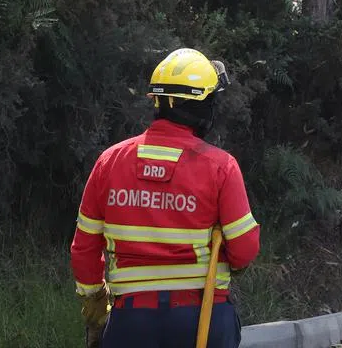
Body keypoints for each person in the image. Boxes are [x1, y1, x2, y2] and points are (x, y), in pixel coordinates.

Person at [71, 48, 261, 348]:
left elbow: (84, 248)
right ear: (203, 106)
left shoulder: (110, 162)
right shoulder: (220, 167)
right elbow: (245, 249)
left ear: (158, 102)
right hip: (203, 316)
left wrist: (95, 300)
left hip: (130, 323)